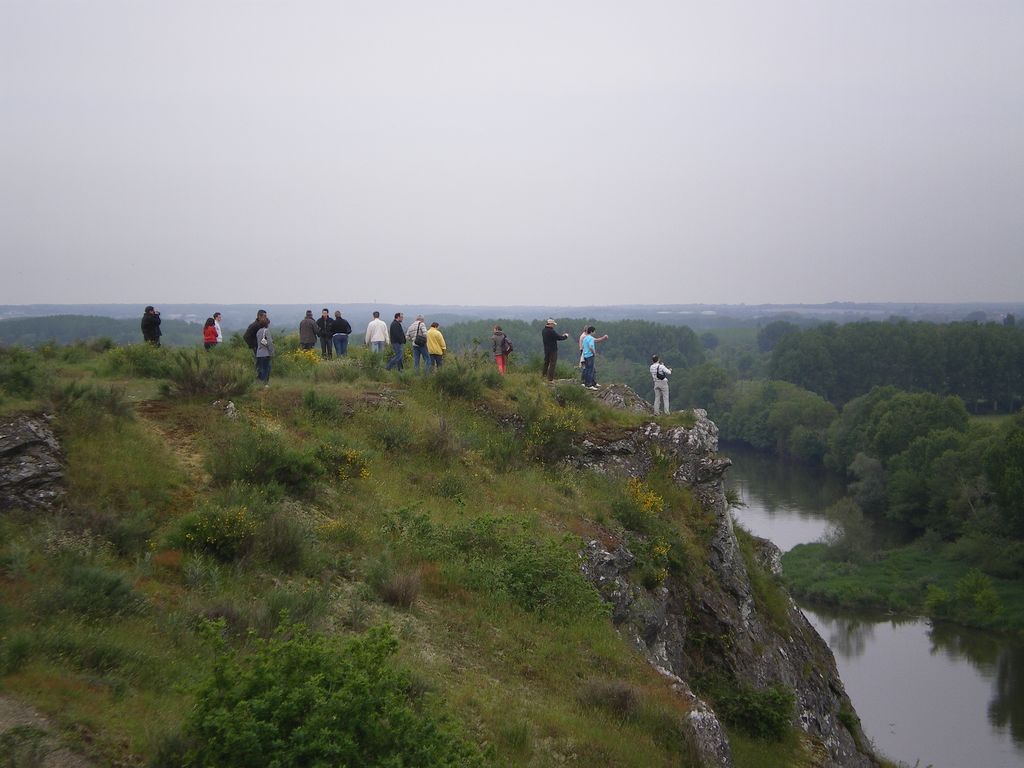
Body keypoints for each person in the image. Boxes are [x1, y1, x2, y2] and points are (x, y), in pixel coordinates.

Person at [255, 315, 274, 386]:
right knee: (266, 369)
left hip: (259, 353)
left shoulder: (258, 332)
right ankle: (265, 384)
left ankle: (260, 384)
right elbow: (270, 343)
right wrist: (272, 352)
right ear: (267, 324)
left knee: (260, 369)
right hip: (266, 353)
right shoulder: (266, 331)